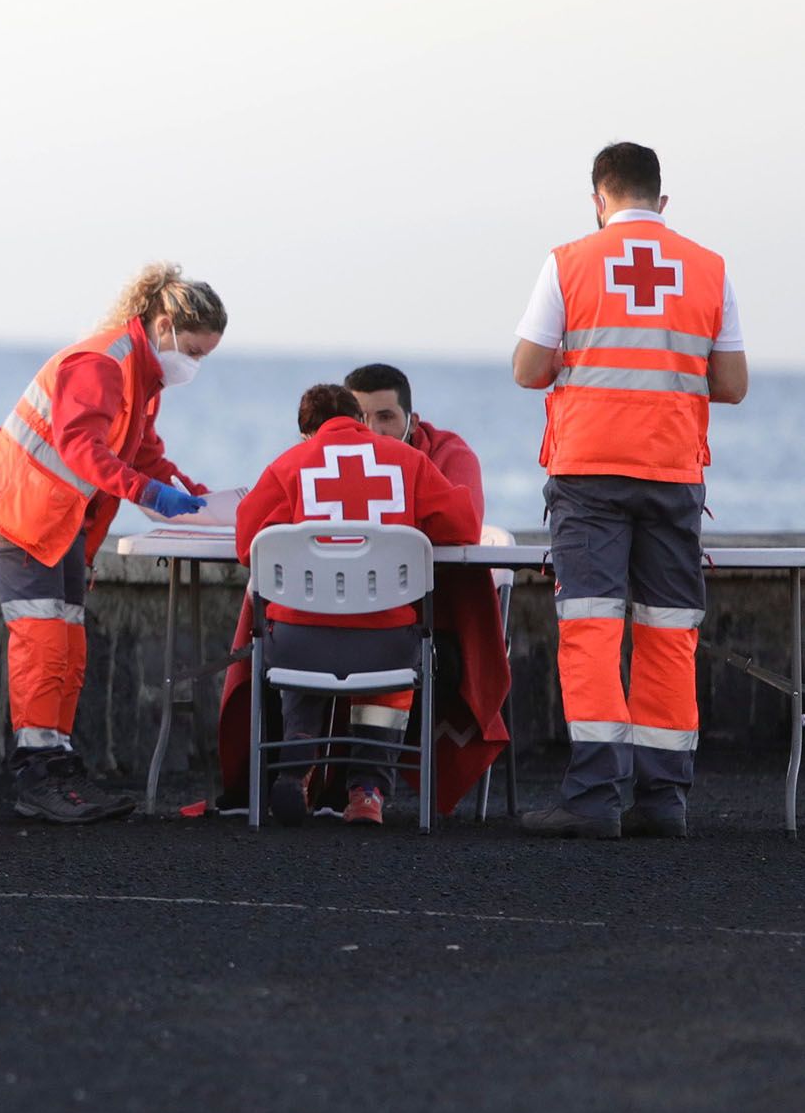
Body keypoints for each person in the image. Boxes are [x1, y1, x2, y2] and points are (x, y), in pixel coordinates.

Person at [512, 142, 745, 839]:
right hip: (673, 474)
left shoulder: (569, 261)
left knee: (591, 631)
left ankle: (592, 803)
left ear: (599, 199)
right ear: (662, 202)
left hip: (588, 476)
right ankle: (663, 802)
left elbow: (528, 369)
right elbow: (731, 385)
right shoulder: (709, 269)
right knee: (668, 634)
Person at [0, 264, 222, 824]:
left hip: (60, 521)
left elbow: (140, 448)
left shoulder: (139, 375)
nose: (194, 365)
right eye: (194, 352)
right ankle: (37, 772)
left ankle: (57, 763)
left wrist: (188, 492)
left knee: (69, 647)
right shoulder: (102, 363)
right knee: (43, 641)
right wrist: (146, 490)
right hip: (22, 511)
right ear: (165, 324)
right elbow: (82, 448)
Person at [233, 384, 482, 825]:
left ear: (306, 432)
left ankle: (299, 753)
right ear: (360, 420)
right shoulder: (408, 462)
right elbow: (463, 526)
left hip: (297, 645)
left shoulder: (288, 466)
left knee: (300, 636)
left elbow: (245, 544)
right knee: (391, 648)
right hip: (385, 646)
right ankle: (367, 791)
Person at [343, 362, 487, 520]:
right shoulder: (326, 455)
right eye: (358, 419)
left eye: (385, 417)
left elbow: (463, 526)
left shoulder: (452, 458)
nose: (372, 431)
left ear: (412, 423)